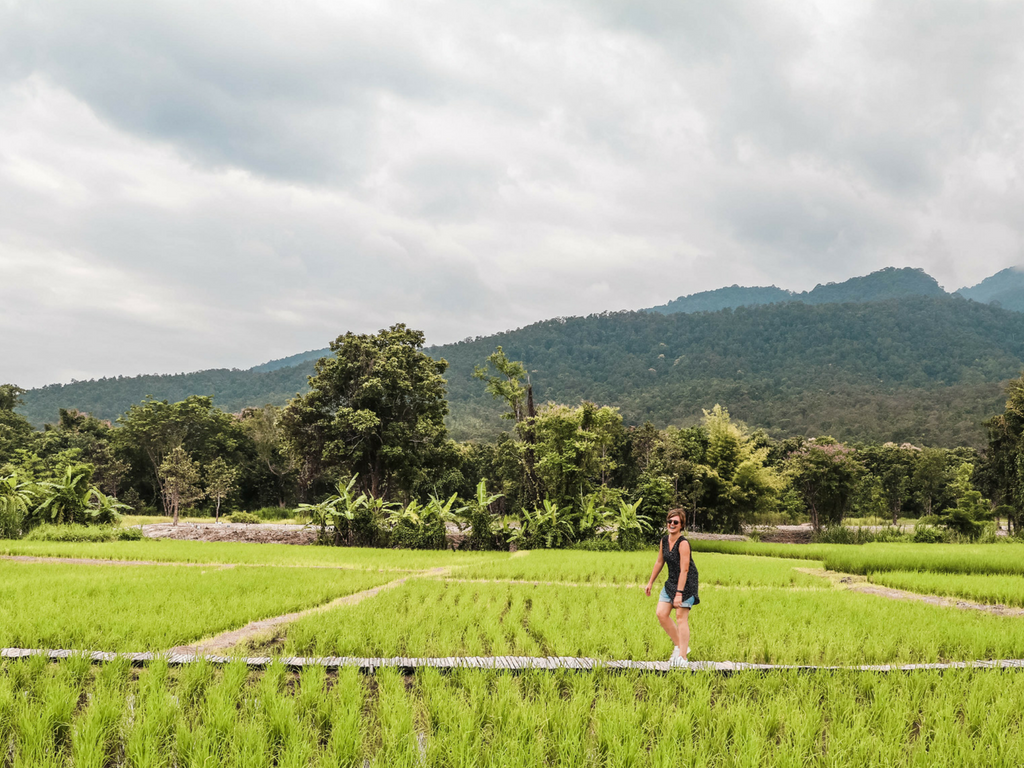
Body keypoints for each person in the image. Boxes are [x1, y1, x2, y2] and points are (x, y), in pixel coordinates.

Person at [645, 507, 699, 668]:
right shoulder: (664, 540)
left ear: (681, 525)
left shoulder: (683, 544)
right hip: (671, 582)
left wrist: (679, 593)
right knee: (661, 613)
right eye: (670, 521)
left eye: (676, 522)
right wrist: (650, 582)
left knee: (681, 618)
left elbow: (685, 569)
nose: (672, 524)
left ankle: (682, 657)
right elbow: (659, 562)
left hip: (686, 583)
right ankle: (680, 646)